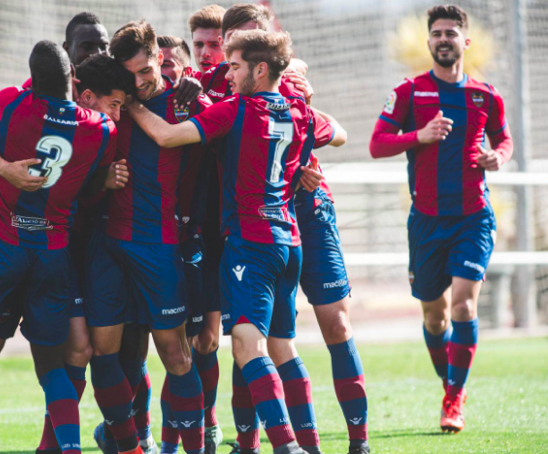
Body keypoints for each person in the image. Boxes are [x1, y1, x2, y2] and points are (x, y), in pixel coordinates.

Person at [126, 29, 341, 454]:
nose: (228, 73)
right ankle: (310, 444)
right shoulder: (299, 110)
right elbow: (339, 132)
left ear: (260, 69)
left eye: (237, 66)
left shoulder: (236, 110)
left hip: (251, 243)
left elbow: (167, 136)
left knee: (246, 346)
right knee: (282, 346)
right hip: (289, 242)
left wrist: (131, 104)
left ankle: (285, 445)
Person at [0, 40, 118, 454]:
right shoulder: (103, 129)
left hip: (1, 244)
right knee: (51, 364)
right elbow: (90, 187)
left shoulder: (12, 105)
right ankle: (69, 449)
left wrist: (2, 166)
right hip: (51, 252)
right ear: (74, 78)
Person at [369, 5, 513, 433]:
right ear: (429, 42)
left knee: (465, 303)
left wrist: (497, 157)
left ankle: (454, 398)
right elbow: (377, 144)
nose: (444, 39)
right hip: (427, 221)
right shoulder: (410, 92)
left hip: (473, 216)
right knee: (435, 316)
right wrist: (420, 135)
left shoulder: (485, 95)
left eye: (451, 32)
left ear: (465, 42)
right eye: (437, 33)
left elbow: (503, 139)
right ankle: (451, 382)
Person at [86, 20, 209, 454]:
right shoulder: (109, 101)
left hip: (160, 246)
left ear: (160, 57)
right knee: (109, 354)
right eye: (129, 74)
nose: (136, 82)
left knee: (175, 353)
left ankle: (193, 445)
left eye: (144, 72)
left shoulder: (186, 104)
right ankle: (129, 442)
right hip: (107, 245)